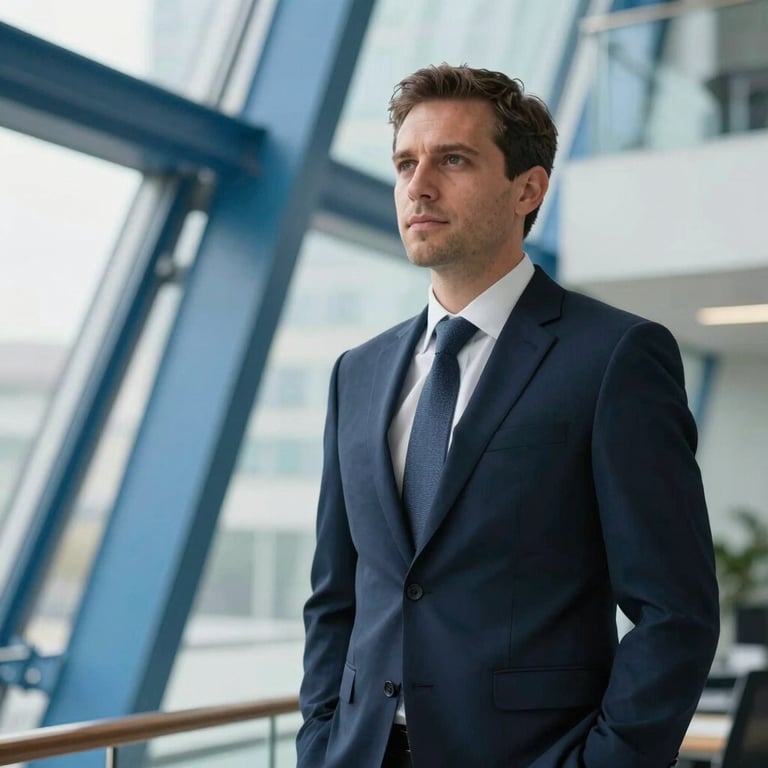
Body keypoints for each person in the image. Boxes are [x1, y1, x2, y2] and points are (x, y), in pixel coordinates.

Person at [296, 64, 719, 768]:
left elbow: (675, 612)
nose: (418, 185)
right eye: (406, 162)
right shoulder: (358, 374)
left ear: (528, 188)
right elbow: (336, 599)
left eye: (453, 160)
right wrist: (319, 744)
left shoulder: (614, 357)